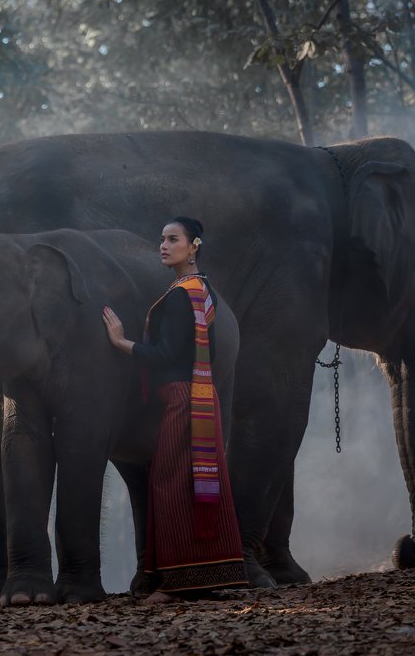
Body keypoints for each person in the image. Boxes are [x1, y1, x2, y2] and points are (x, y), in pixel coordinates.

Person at [102, 216, 247, 603]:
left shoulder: (183, 294)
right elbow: (204, 354)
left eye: (173, 239)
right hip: (200, 397)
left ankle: (178, 584)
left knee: (169, 485)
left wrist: (121, 343)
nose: (164, 245)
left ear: (193, 245)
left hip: (184, 401)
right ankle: (206, 574)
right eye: (162, 239)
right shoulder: (200, 290)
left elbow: (166, 354)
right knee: (197, 485)